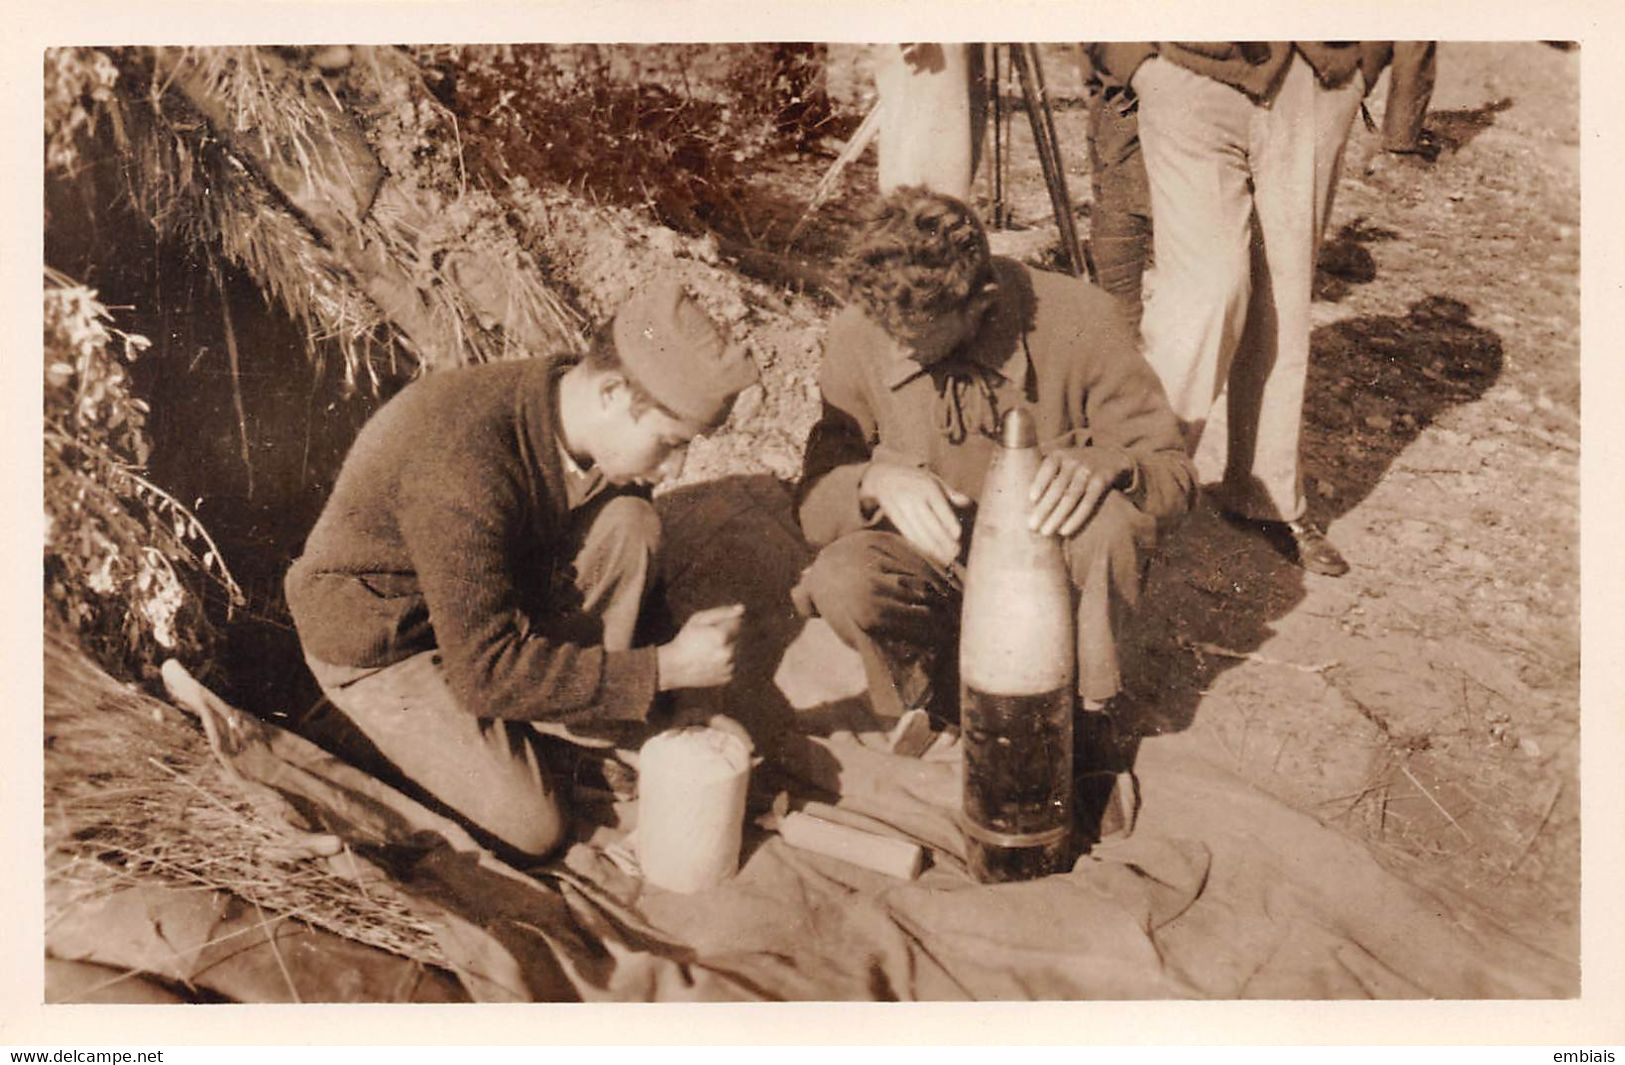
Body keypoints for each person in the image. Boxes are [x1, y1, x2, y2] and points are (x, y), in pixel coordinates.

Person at [285, 278, 760, 861]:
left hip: (485, 604)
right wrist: (665, 669)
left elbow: (635, 579)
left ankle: (566, 725)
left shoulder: (568, 412)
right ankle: (355, 728)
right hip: (383, 641)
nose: (672, 469)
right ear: (612, 392)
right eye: (668, 444)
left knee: (629, 520)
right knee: (535, 827)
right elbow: (483, 673)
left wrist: (681, 693)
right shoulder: (463, 461)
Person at [792, 187, 1195, 753]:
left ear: (979, 304)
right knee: (842, 577)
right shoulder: (865, 328)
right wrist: (872, 481)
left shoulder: (1082, 320)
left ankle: (1083, 721)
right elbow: (814, 496)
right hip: (939, 570)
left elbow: (1174, 476)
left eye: (912, 341)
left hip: (1052, 584)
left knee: (1110, 525)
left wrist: (1112, 463)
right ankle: (944, 696)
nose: (894, 353)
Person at [1087, 42, 1387, 577]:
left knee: (1284, 301)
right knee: (1204, 294)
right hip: (1186, 69)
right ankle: (1138, 486)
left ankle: (1266, 494)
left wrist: (1370, 58)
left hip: (1315, 76)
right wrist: (1132, 59)